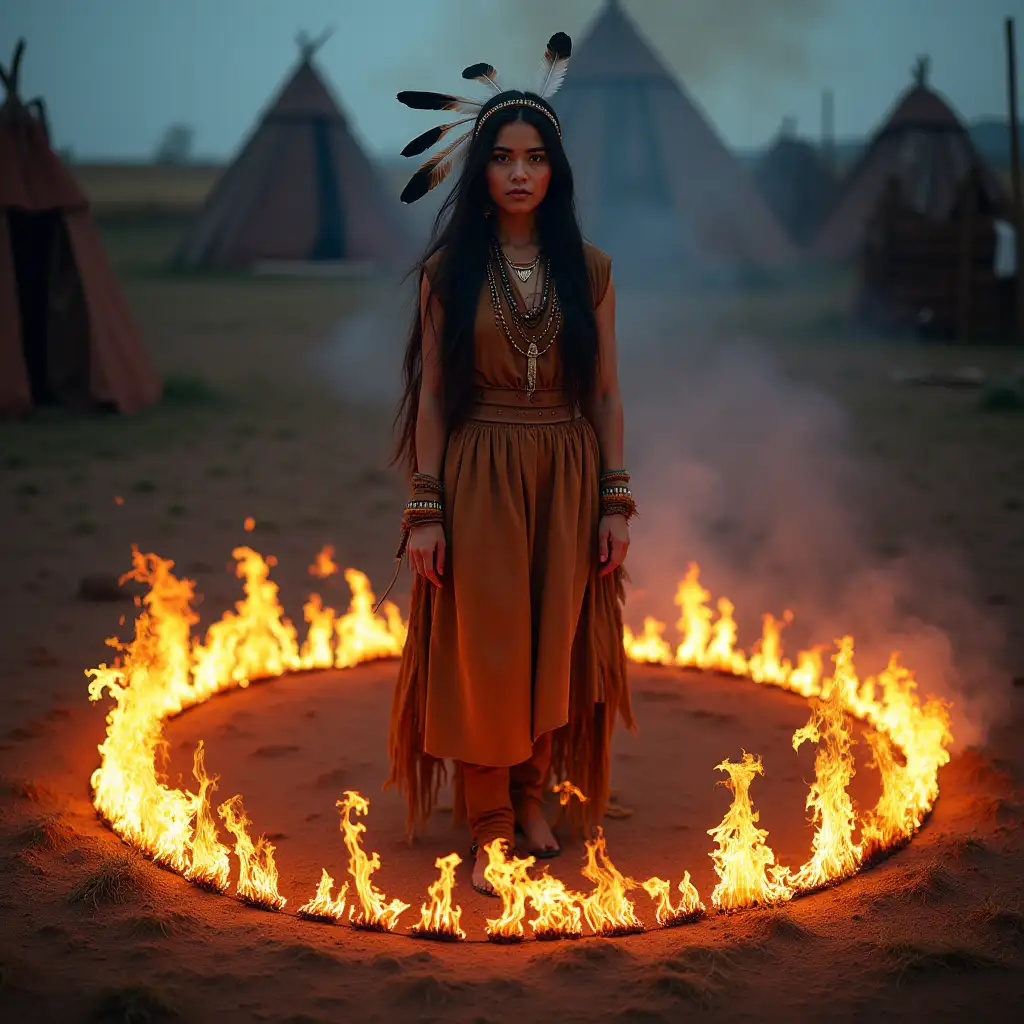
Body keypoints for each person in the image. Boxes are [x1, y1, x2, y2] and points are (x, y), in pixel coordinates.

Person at [386, 33, 636, 896]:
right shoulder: (447, 274)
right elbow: (430, 400)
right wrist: (425, 509)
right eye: (502, 159)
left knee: (549, 647)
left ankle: (531, 797)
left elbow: (604, 394)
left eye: (535, 158)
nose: (520, 173)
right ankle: (489, 825)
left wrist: (614, 500)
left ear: (556, 170)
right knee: (487, 650)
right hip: (479, 470)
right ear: (480, 173)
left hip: (567, 471)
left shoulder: (591, 269)